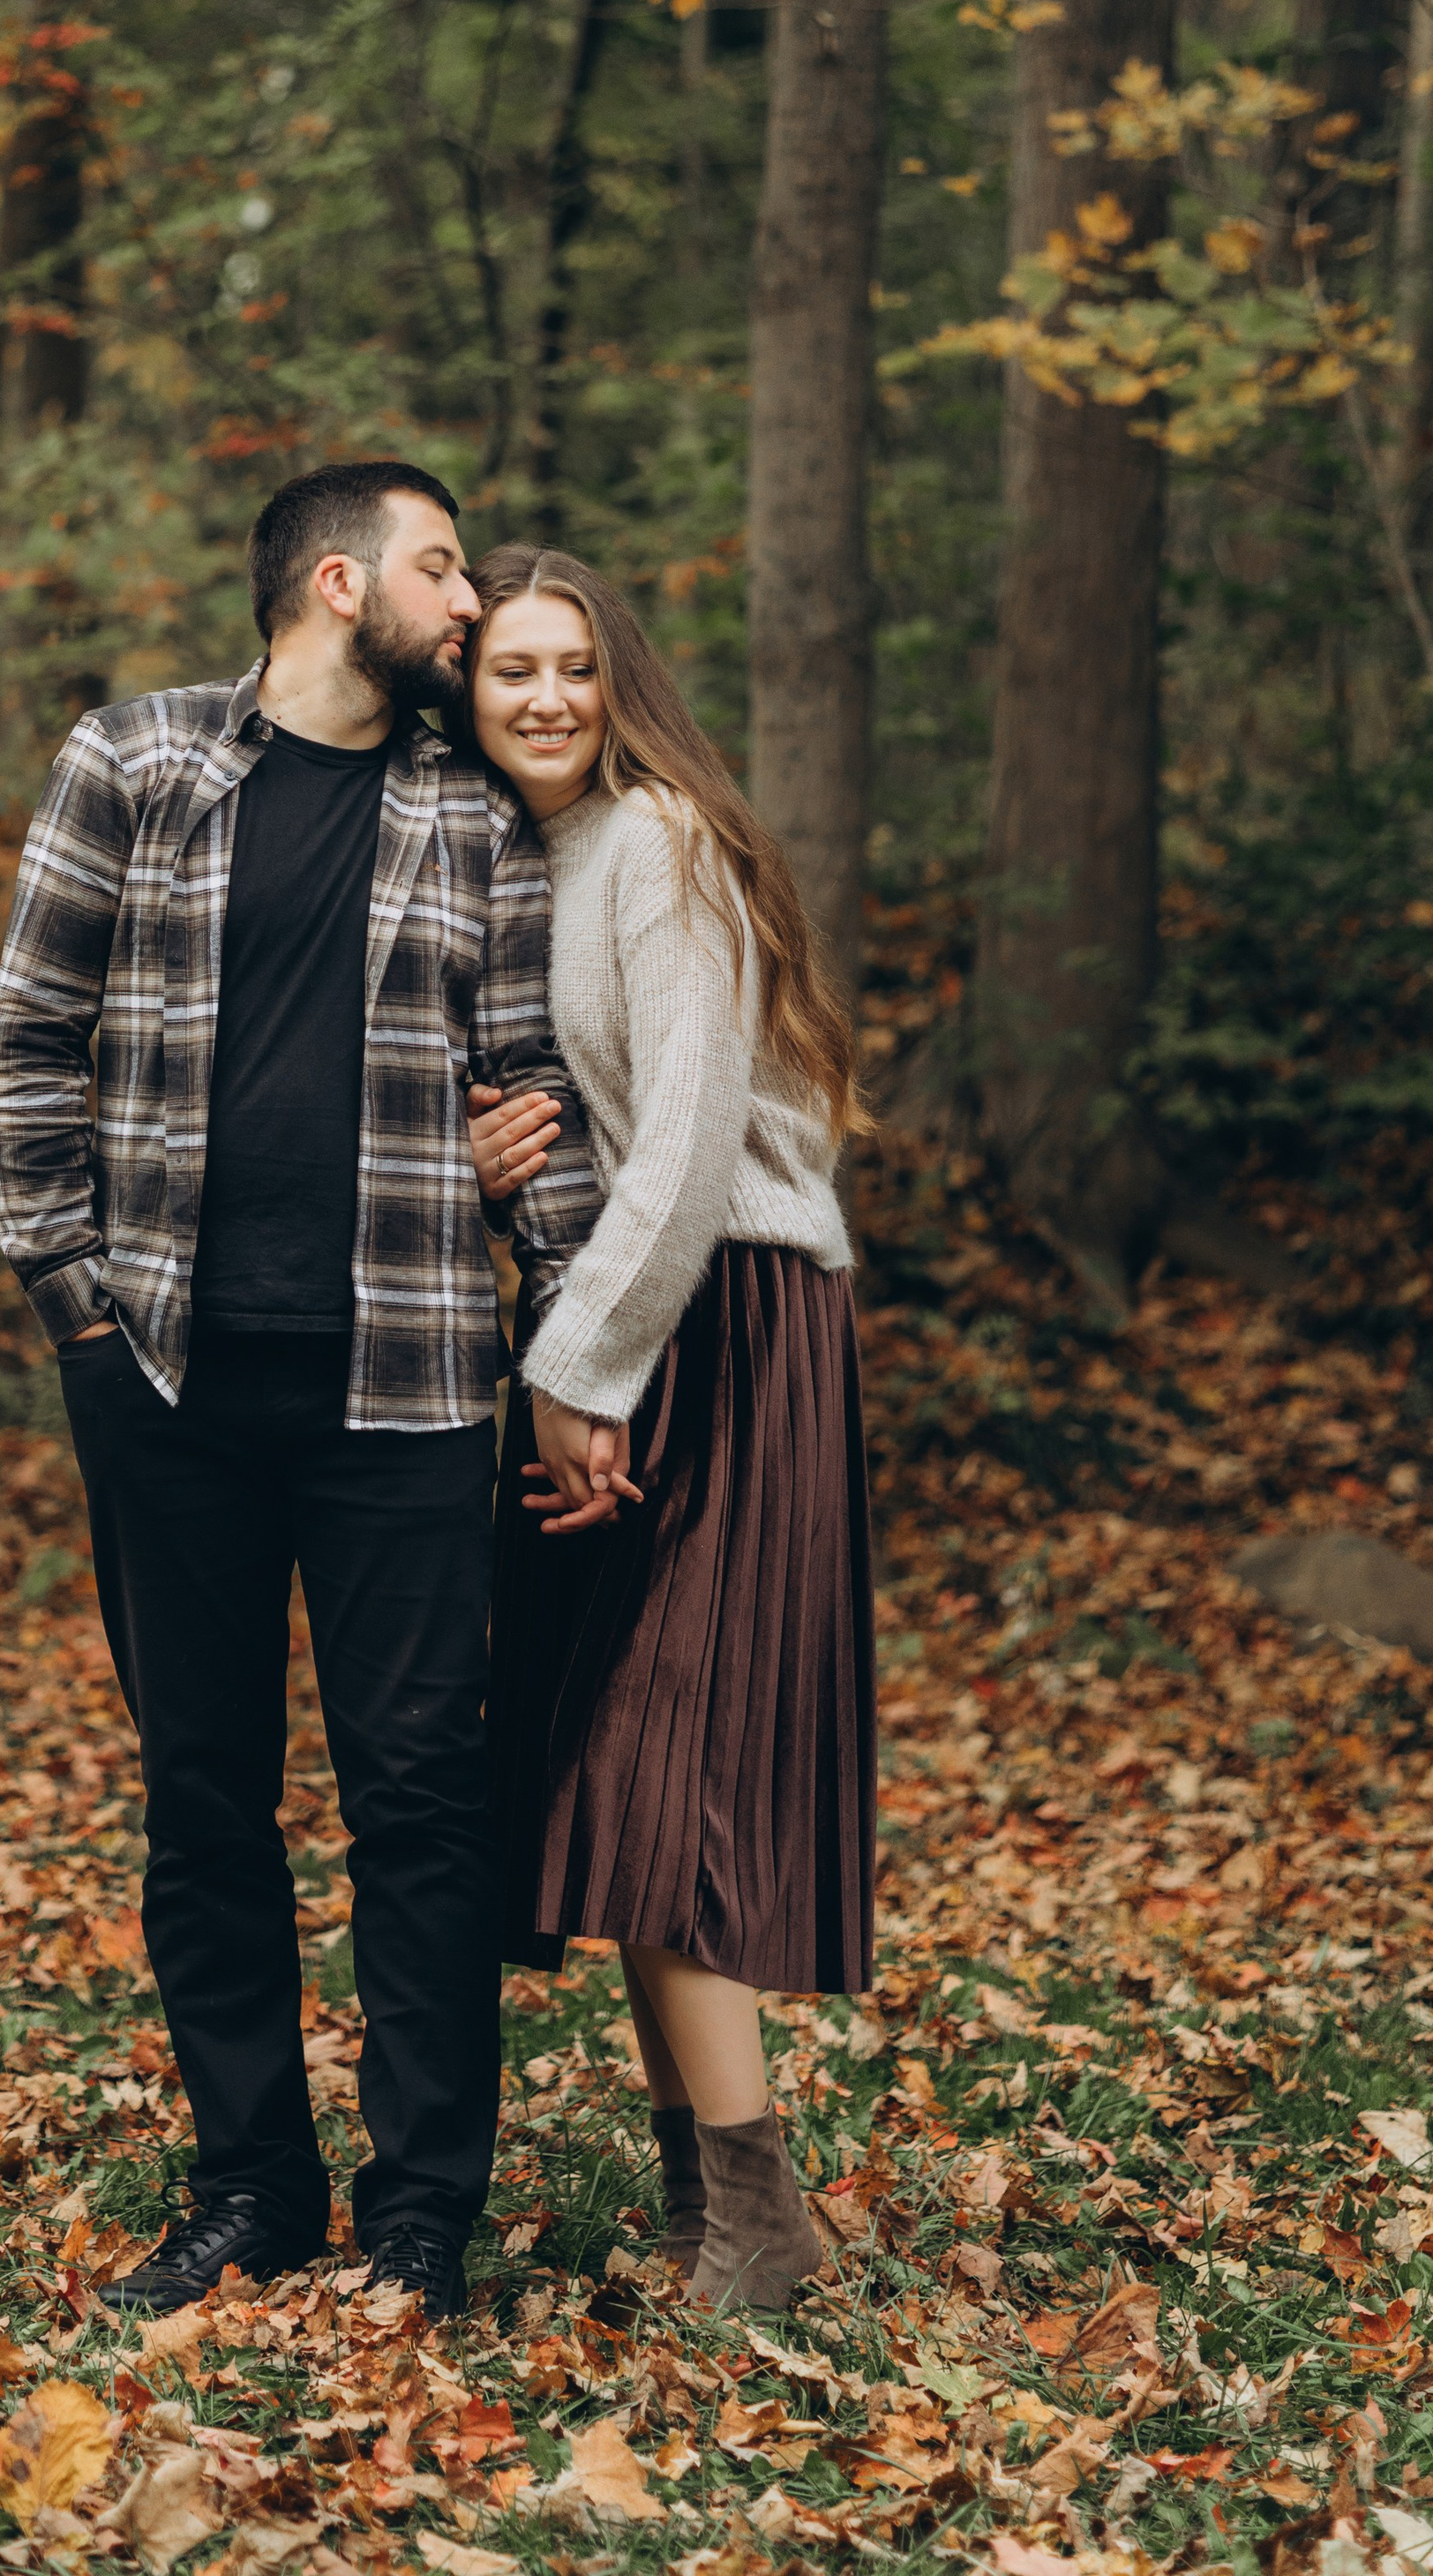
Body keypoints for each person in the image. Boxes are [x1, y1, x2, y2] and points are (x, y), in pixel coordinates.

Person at [0, 464, 604, 2323]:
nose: (469, 604)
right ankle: (249, 2188)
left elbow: (528, 1089)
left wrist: (573, 1338)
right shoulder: (136, 762)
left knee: (420, 1801)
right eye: (442, 569)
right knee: (204, 1798)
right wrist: (71, 1299)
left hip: (406, 1381)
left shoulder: (472, 816)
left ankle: (420, 2215)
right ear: (339, 583)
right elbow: (33, 1031)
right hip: (163, 1375)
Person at [461, 543, 874, 2315]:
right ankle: (706, 2205)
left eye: (576, 666)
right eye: (510, 670)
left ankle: (763, 2230)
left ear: (619, 682)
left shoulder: (659, 842)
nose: (547, 698)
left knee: (661, 1766)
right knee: (613, 1780)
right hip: (636, 1316)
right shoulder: (521, 858)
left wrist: (578, 1371)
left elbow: (694, 1140)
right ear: (466, 693)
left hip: (727, 1321)